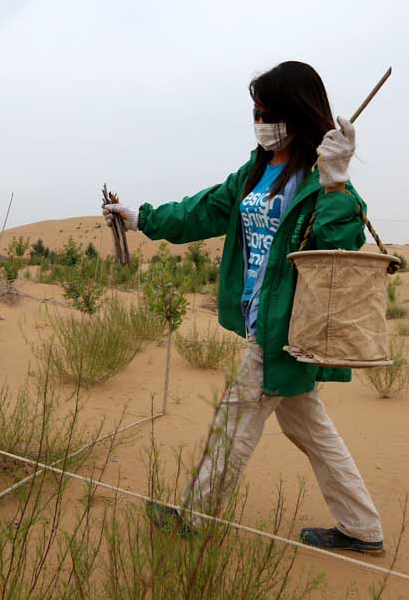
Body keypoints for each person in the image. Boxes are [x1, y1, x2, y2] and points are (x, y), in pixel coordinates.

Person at [102, 61, 384, 554]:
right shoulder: (256, 169)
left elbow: (342, 241)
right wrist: (141, 217)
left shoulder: (322, 177)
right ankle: (362, 528)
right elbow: (202, 210)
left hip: (287, 326)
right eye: (254, 111)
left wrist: (337, 181)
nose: (258, 120)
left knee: (232, 422)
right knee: (311, 429)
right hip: (261, 320)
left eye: (266, 111)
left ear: (294, 112)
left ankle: (193, 517)